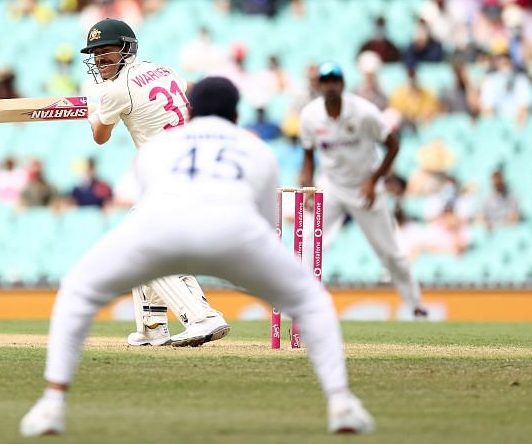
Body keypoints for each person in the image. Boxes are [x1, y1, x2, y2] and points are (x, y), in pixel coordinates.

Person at [19, 77, 374, 437]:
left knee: (79, 288)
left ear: (189, 109)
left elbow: (149, 203)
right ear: (236, 113)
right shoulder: (256, 149)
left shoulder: (158, 147)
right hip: (237, 232)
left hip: (163, 229)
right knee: (312, 301)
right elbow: (266, 221)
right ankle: (341, 402)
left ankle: (52, 403)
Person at [82, 18, 228, 347]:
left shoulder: (117, 89)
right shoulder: (162, 70)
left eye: (107, 52)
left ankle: (203, 318)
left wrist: (96, 111)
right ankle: (152, 326)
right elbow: (188, 91)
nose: (102, 60)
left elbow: (100, 136)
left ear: (127, 49)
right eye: (96, 54)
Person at [299, 62, 427, 317]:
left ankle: (416, 306)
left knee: (391, 252)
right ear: (319, 85)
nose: (331, 85)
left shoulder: (364, 112)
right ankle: (302, 304)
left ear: (342, 84)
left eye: (335, 80)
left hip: (365, 189)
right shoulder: (310, 116)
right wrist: (309, 187)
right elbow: (308, 154)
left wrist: (373, 180)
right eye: (326, 81)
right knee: (310, 246)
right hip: (332, 187)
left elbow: (393, 145)